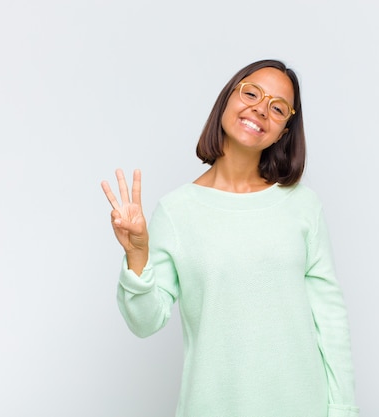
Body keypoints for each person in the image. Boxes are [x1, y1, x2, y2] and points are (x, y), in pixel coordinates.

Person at [101, 59, 359, 417]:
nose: (260, 109)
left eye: (278, 107)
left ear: (284, 131)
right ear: (227, 99)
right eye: (251, 93)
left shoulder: (303, 206)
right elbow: (145, 322)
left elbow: (330, 320)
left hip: (302, 406)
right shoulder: (177, 211)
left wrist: (343, 409)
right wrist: (137, 255)